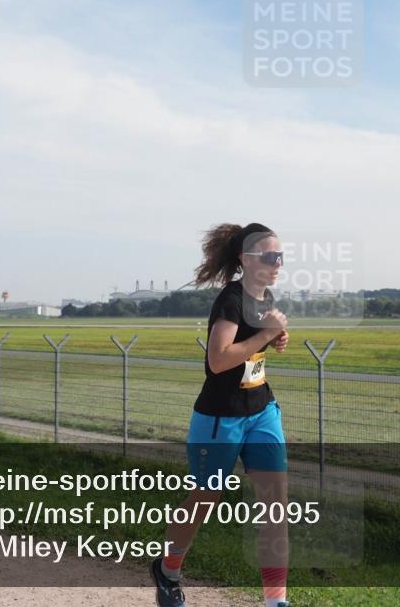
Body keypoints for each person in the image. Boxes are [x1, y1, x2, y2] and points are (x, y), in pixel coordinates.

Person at [151, 223, 291, 607]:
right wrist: (264, 335)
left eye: (280, 256)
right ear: (246, 259)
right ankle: (168, 569)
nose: (277, 263)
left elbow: (252, 348)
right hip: (220, 418)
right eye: (269, 256)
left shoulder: (266, 298)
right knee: (203, 499)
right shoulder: (230, 300)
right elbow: (218, 360)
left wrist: (275, 337)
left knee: (274, 503)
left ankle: (275, 600)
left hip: (262, 410)